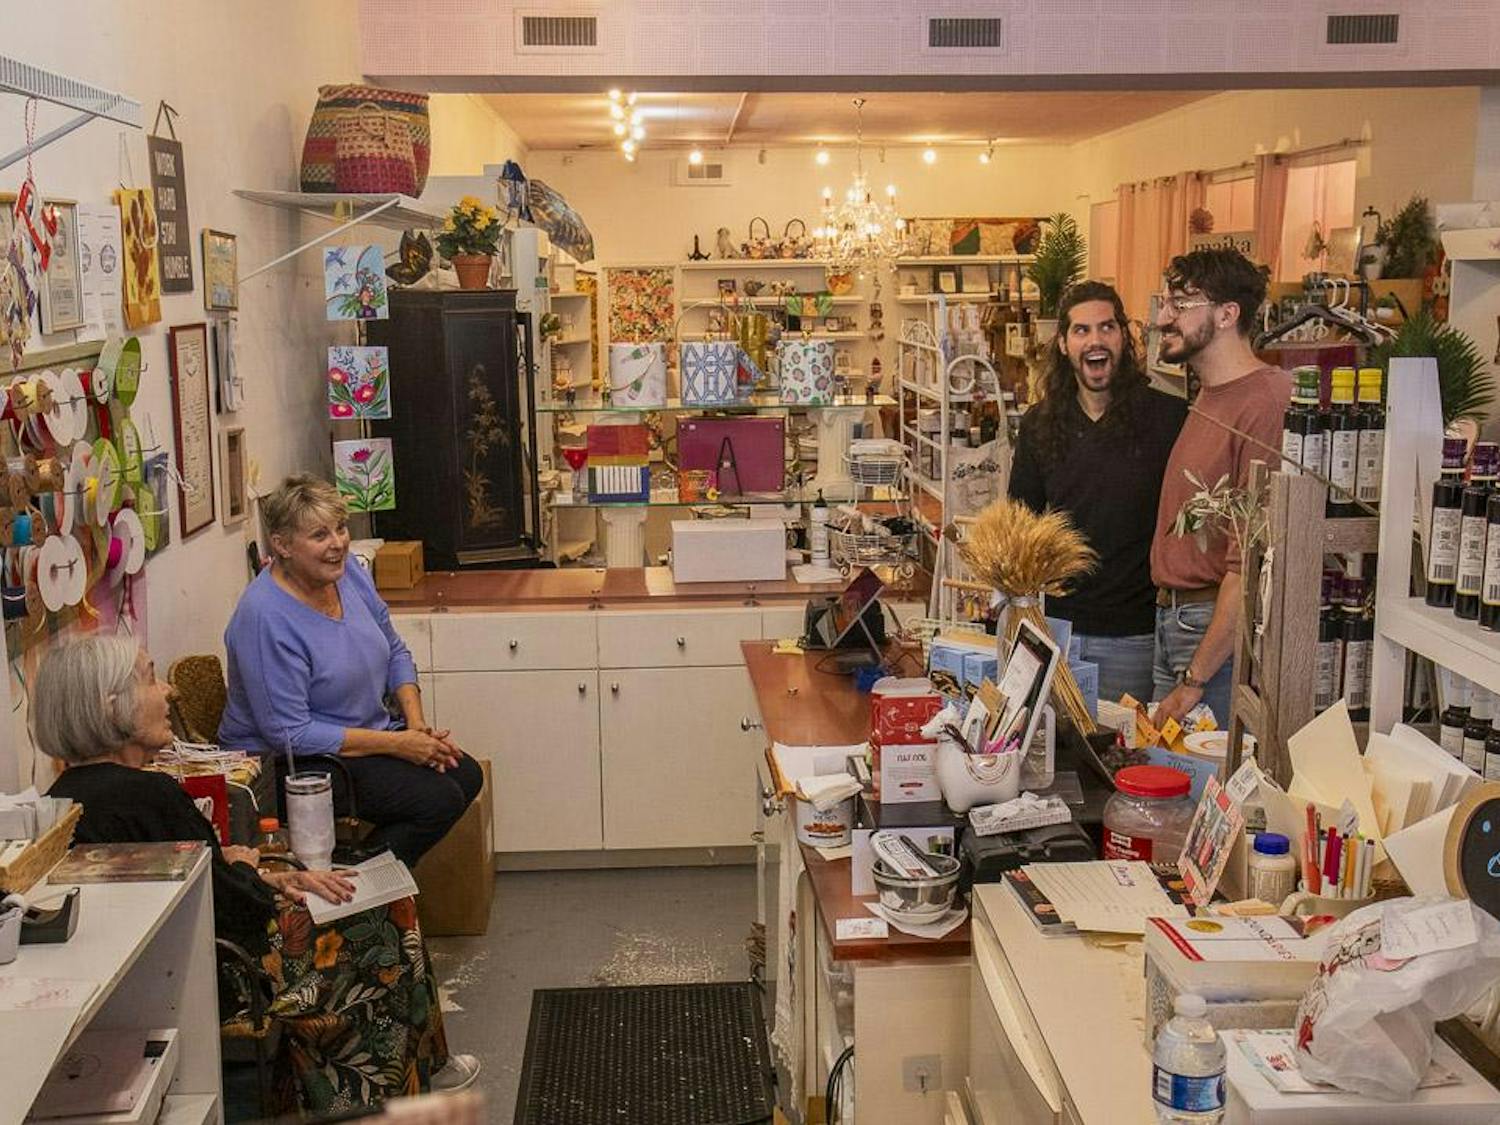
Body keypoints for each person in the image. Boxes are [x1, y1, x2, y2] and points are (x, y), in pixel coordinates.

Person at [36, 635, 480, 1113]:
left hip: (170, 961)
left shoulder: (62, 800)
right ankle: (386, 1086)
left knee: (352, 894)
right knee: (388, 913)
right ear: (111, 706)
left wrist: (258, 873)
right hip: (227, 965)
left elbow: (193, 884)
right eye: (150, 679)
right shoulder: (149, 795)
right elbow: (235, 910)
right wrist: (256, 873)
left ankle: (407, 1073)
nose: (168, 692)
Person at [219, 475, 482, 866]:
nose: (337, 543)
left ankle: (362, 869)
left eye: (340, 528)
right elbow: (289, 733)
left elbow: (393, 649)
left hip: (361, 736)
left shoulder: (347, 574)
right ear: (281, 545)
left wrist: (416, 725)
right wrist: (399, 746)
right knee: (436, 801)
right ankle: (355, 881)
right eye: (319, 535)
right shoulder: (264, 618)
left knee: (464, 774)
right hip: (293, 762)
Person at [1008, 281, 1186, 704]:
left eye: (1106, 327)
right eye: (1082, 330)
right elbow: (1020, 525)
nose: (1095, 340)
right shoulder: (1039, 425)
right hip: (1056, 632)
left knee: (1123, 759)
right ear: (1065, 345)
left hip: (1134, 638)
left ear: (1124, 336)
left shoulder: (1167, 419)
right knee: (1053, 759)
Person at [1149, 249, 1292, 726]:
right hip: (1175, 622)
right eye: (1165, 303)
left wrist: (1195, 678)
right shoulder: (1209, 395)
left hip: (1209, 638)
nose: (1164, 318)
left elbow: (1248, 561)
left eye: (1181, 304)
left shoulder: (1267, 400)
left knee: (1203, 789)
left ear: (1228, 314)